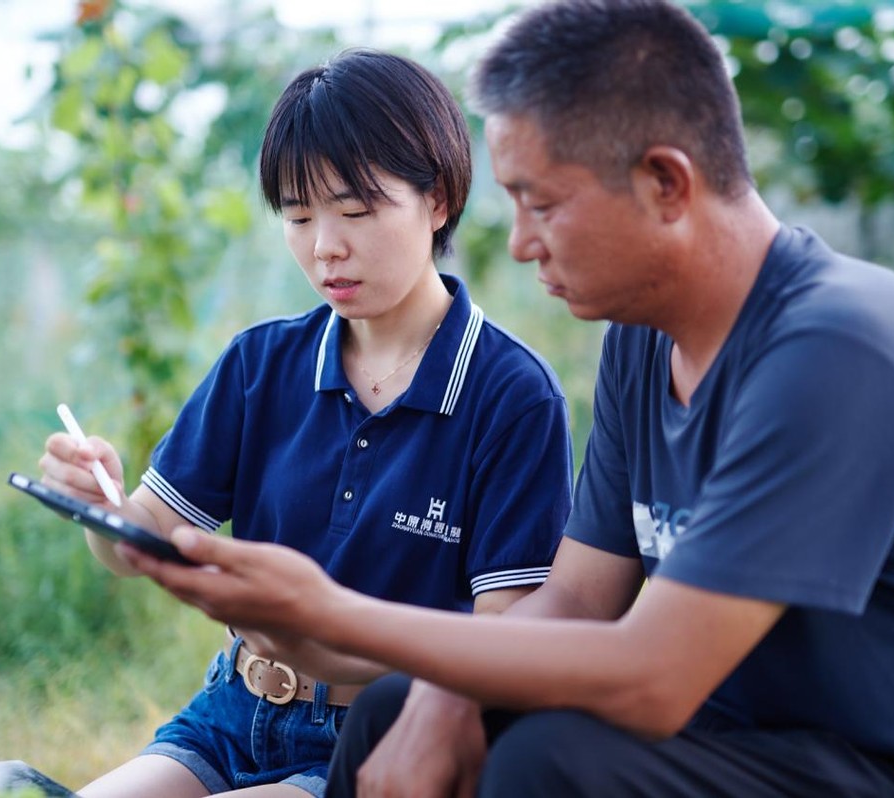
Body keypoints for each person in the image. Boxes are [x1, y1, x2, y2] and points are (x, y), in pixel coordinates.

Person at [118, 1, 894, 796]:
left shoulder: (845, 345)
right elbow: (581, 598)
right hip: (771, 734)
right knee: (396, 711)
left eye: (542, 203)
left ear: (666, 183)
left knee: (548, 764)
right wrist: (444, 698)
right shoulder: (642, 341)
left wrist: (329, 611)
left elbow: (655, 677)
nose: (523, 242)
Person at [38, 48, 572, 798]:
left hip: (386, 737)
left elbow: (503, 646)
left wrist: (317, 633)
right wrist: (102, 512)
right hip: (233, 711)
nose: (325, 246)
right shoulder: (261, 365)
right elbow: (140, 543)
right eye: (297, 215)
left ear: (440, 198)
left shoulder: (511, 397)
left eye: (355, 211)